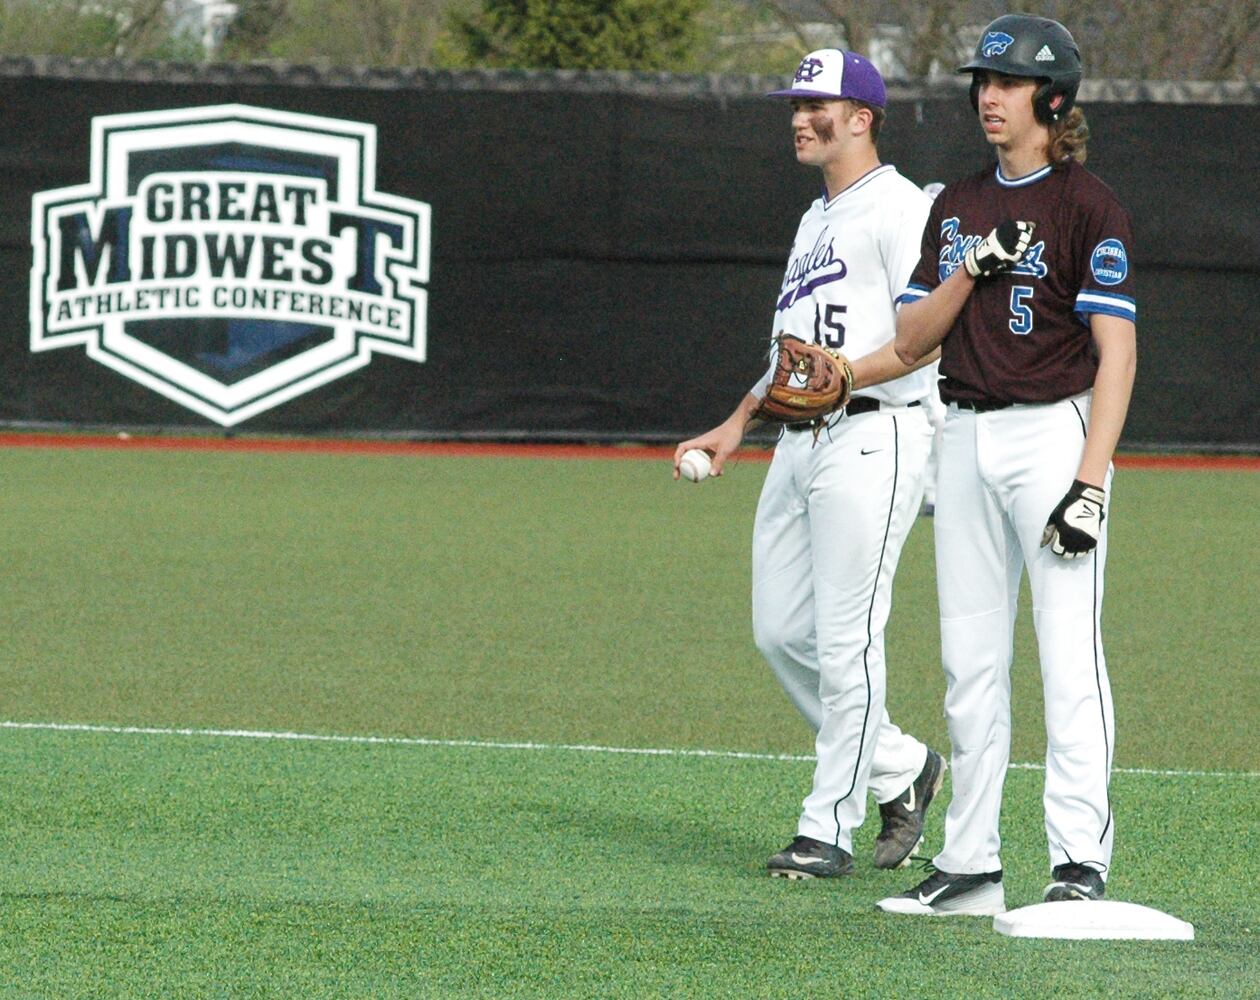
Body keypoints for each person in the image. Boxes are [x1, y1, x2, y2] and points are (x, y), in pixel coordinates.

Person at [877, 14, 1137, 916]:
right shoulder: (956, 205)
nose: (988, 95)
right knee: (970, 663)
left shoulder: (1086, 204)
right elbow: (909, 339)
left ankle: (1077, 863)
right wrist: (970, 270)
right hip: (965, 435)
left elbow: (1119, 353)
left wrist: (1091, 482)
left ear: (1053, 99)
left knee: (1069, 660)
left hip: (1051, 438)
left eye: (1009, 82)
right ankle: (972, 863)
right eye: (981, 81)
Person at [673, 49, 946, 879]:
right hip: (799, 440)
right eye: (795, 103)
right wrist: (738, 420)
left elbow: (923, 336)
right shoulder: (814, 219)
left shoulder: (901, 208)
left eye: (817, 103)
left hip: (876, 434)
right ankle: (903, 766)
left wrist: (848, 377)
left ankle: (827, 826)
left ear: (862, 117)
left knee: (847, 637)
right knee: (779, 631)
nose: (800, 116)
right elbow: (795, 356)